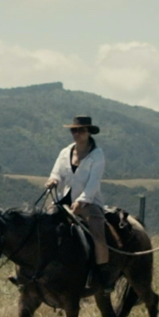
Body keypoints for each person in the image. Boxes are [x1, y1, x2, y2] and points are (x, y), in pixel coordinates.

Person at [45, 115, 113, 291]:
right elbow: (57, 173)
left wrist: (82, 200)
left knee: (97, 231)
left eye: (81, 130)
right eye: (74, 130)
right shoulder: (65, 152)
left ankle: (102, 274)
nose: (76, 133)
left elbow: (94, 182)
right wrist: (53, 181)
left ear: (89, 132)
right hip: (64, 199)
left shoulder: (97, 155)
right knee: (41, 223)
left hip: (90, 201)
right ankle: (35, 270)